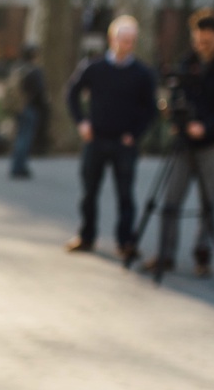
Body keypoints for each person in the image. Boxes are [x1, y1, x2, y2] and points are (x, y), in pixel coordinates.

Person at [148, 8, 214, 276]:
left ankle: (203, 255)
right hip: (184, 142)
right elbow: (177, 95)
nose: (203, 46)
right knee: (170, 199)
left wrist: (206, 127)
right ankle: (165, 254)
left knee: (208, 202)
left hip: (212, 143)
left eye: (208, 41)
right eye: (199, 40)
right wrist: (176, 118)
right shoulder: (187, 62)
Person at [64, 15, 159, 260]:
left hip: (124, 143)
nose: (125, 44)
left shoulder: (142, 73)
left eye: (130, 40)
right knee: (89, 192)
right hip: (95, 139)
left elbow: (150, 109)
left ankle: (125, 241)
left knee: (125, 194)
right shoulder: (93, 67)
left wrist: (135, 134)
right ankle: (86, 235)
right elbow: (72, 94)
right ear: (111, 38)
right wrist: (82, 122)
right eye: (121, 39)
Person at [4, 44, 47, 179]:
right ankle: (19, 167)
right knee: (25, 137)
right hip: (30, 107)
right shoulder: (34, 71)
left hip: (17, 107)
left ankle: (16, 165)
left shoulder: (17, 68)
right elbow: (39, 91)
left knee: (19, 136)